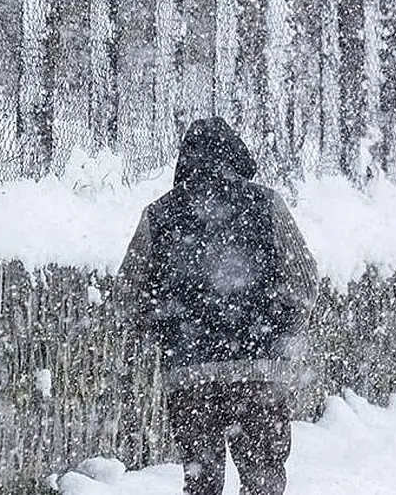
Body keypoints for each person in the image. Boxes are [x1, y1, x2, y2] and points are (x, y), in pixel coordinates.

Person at [115, 117, 318, 495]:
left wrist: (166, 328)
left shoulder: (159, 215)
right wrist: (280, 331)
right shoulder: (266, 203)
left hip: (191, 376)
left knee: (202, 483)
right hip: (259, 375)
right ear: (236, 154)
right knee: (263, 478)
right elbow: (305, 283)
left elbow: (127, 295)